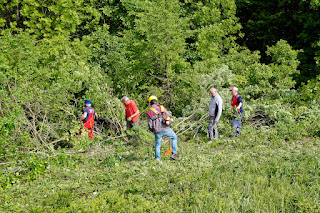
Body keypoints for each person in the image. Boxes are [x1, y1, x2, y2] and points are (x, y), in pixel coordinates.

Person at [147, 95, 178, 160]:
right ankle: (174, 153)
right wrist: (169, 122)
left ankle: (157, 159)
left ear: (150, 103)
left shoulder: (149, 112)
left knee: (158, 145)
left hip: (157, 130)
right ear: (156, 102)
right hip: (165, 128)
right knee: (175, 137)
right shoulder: (162, 108)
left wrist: (153, 131)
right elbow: (169, 116)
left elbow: (150, 125)